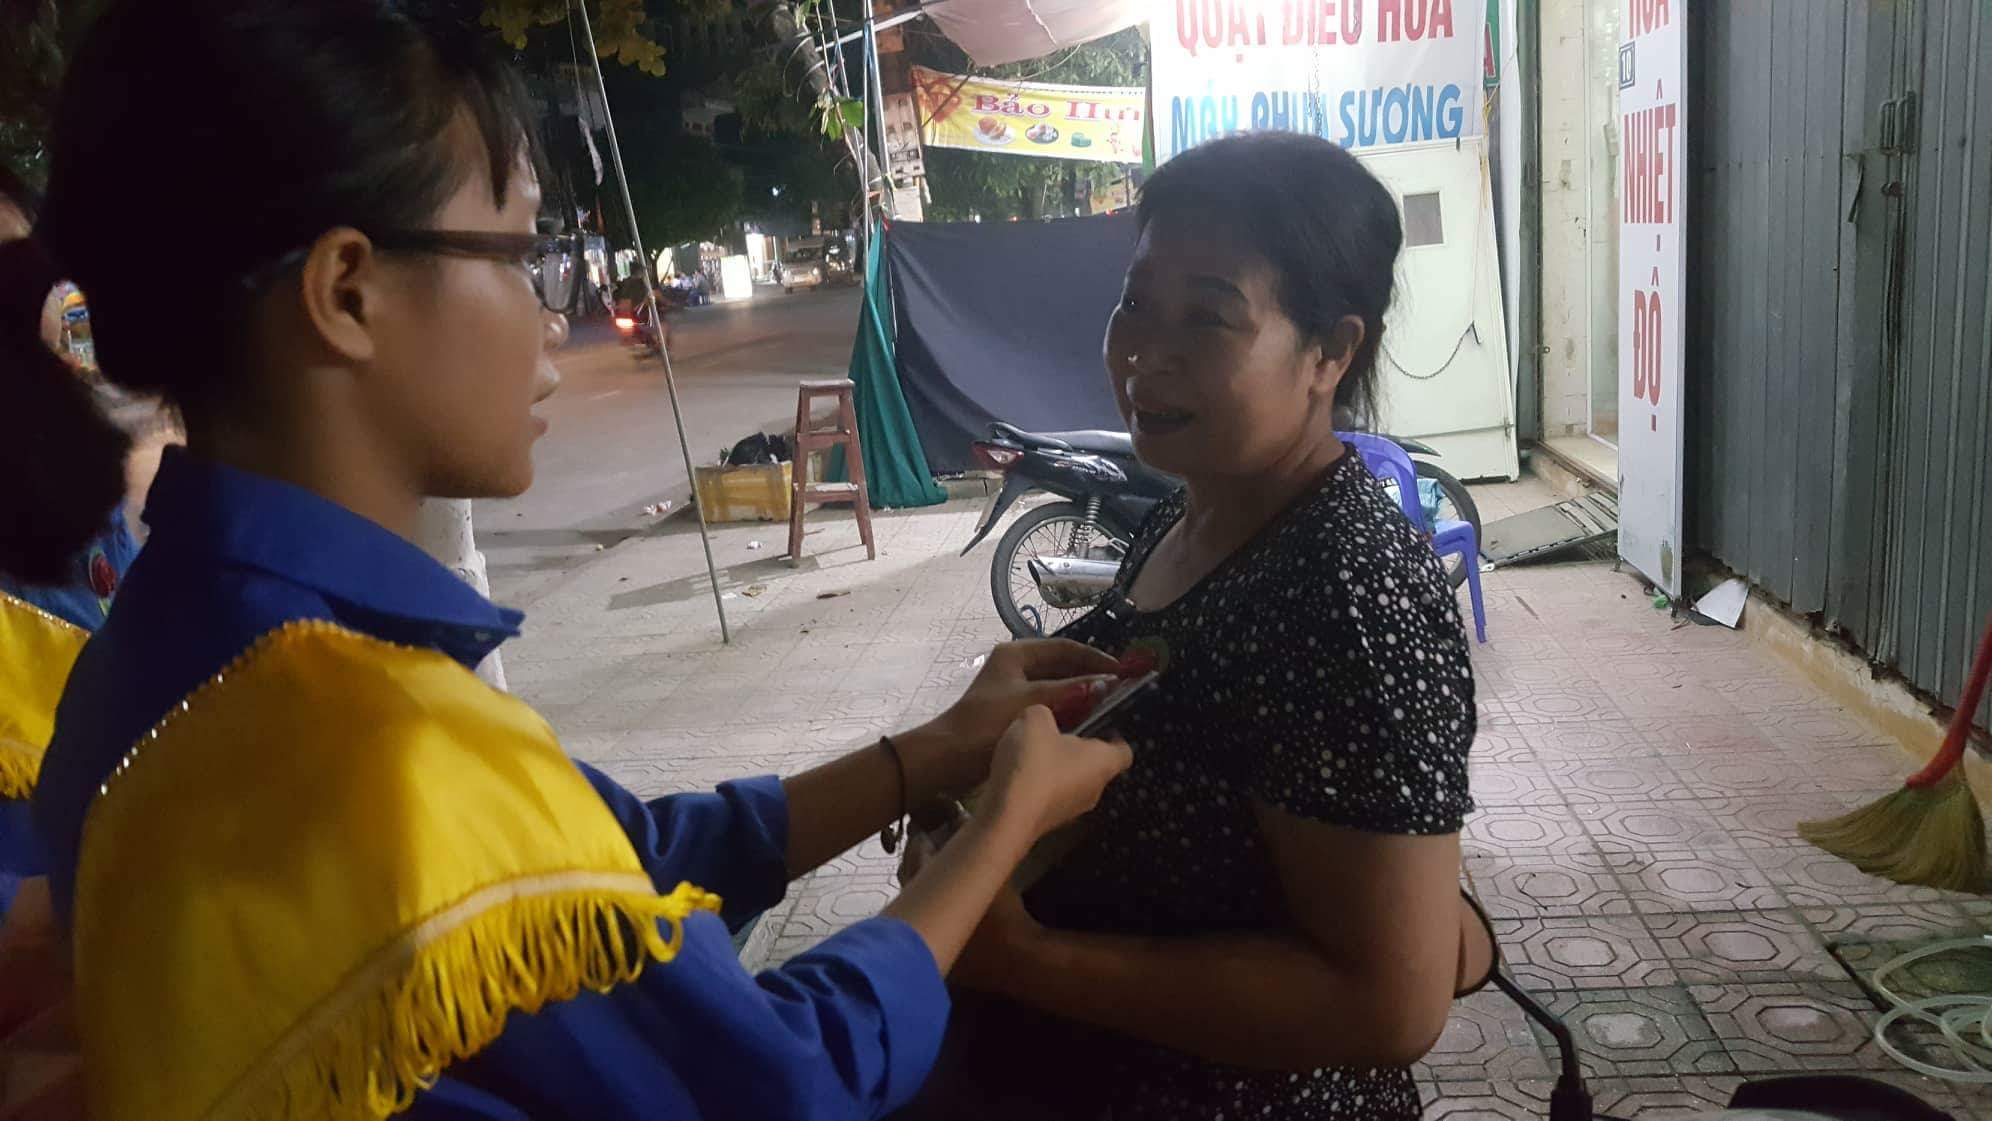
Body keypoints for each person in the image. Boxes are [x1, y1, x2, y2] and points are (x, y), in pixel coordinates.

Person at [3, 4, 1131, 1119]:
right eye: (521, 254)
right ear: (347, 291)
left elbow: (616, 861)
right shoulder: (377, 738)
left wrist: (931, 750)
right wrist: (1002, 826)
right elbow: (787, 1078)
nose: (551, 322)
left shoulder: (151, 649)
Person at [902, 132, 1476, 1121]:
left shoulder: (1348, 584)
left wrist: (1024, 956)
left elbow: (1390, 1000)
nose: (1143, 352)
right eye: (1135, 302)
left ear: (1330, 353)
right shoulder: (1187, 512)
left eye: (1207, 316)